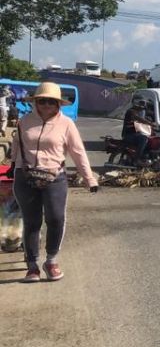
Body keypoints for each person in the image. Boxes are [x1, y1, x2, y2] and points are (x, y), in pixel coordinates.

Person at [10, 82, 98, 282]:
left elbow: (78, 152)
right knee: (31, 222)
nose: (47, 105)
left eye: (52, 101)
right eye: (42, 101)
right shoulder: (24, 121)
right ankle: (32, 266)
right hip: (25, 177)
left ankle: (51, 261)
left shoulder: (66, 124)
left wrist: (89, 178)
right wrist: (13, 166)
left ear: (59, 104)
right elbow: (16, 145)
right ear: (36, 102)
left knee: (56, 218)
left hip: (54, 177)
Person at [121, 99, 154, 165]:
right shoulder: (131, 111)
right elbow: (139, 119)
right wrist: (150, 123)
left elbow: (140, 121)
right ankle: (137, 159)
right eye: (141, 107)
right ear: (137, 105)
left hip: (132, 134)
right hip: (128, 135)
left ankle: (144, 156)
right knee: (144, 139)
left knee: (149, 138)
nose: (142, 109)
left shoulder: (135, 112)